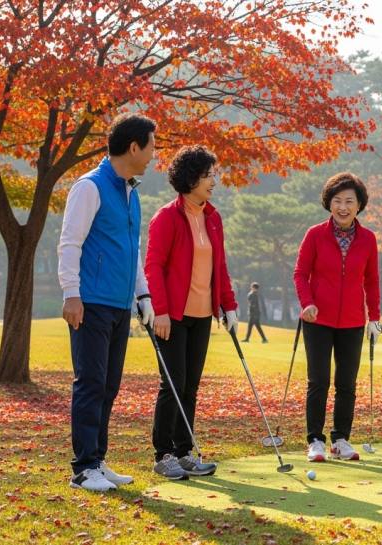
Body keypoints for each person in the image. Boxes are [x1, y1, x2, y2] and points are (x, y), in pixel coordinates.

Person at [57, 113, 157, 492]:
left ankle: (97, 460)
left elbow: (132, 251)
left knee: (109, 385)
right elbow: (70, 242)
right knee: (91, 383)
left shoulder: (132, 191)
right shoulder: (89, 187)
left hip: (118, 305)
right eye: (151, 146)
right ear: (134, 147)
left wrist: (143, 294)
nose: (153, 154)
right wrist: (71, 294)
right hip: (91, 302)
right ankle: (84, 468)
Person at [145, 145, 238, 480]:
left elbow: (220, 266)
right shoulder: (167, 217)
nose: (213, 181)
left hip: (202, 315)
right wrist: (161, 311)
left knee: (191, 386)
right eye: (207, 175)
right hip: (173, 316)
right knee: (173, 384)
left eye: (212, 174)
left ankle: (184, 452)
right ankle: (163, 454)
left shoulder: (212, 218)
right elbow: (153, 266)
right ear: (191, 178)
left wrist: (228, 304)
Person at [293, 172, 381, 463]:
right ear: (329, 204)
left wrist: (375, 317)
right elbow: (300, 273)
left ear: (359, 205)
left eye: (349, 201)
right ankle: (315, 440)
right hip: (317, 320)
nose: (343, 207)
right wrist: (307, 303)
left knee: (347, 383)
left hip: (353, 321)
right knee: (318, 381)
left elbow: (372, 281)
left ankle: (341, 439)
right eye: (337, 201)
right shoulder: (315, 234)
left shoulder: (368, 239)